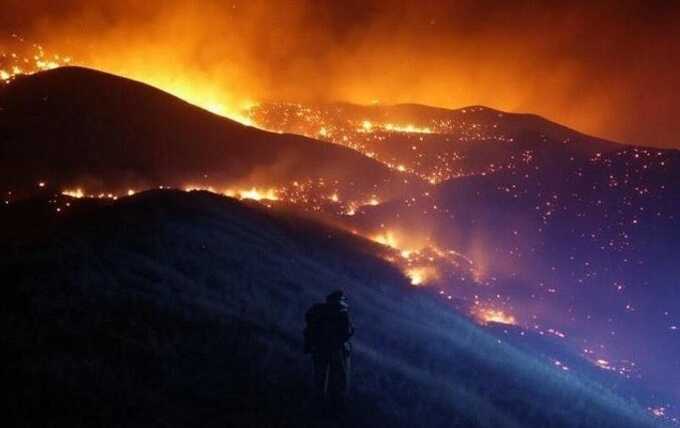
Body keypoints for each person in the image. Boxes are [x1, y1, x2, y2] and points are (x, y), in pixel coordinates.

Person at [304, 290, 354, 410]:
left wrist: (310, 344)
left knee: (319, 378)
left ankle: (317, 403)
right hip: (335, 351)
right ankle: (333, 407)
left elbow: (309, 327)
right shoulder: (341, 313)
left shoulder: (318, 310)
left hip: (319, 348)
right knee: (338, 380)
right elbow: (347, 332)